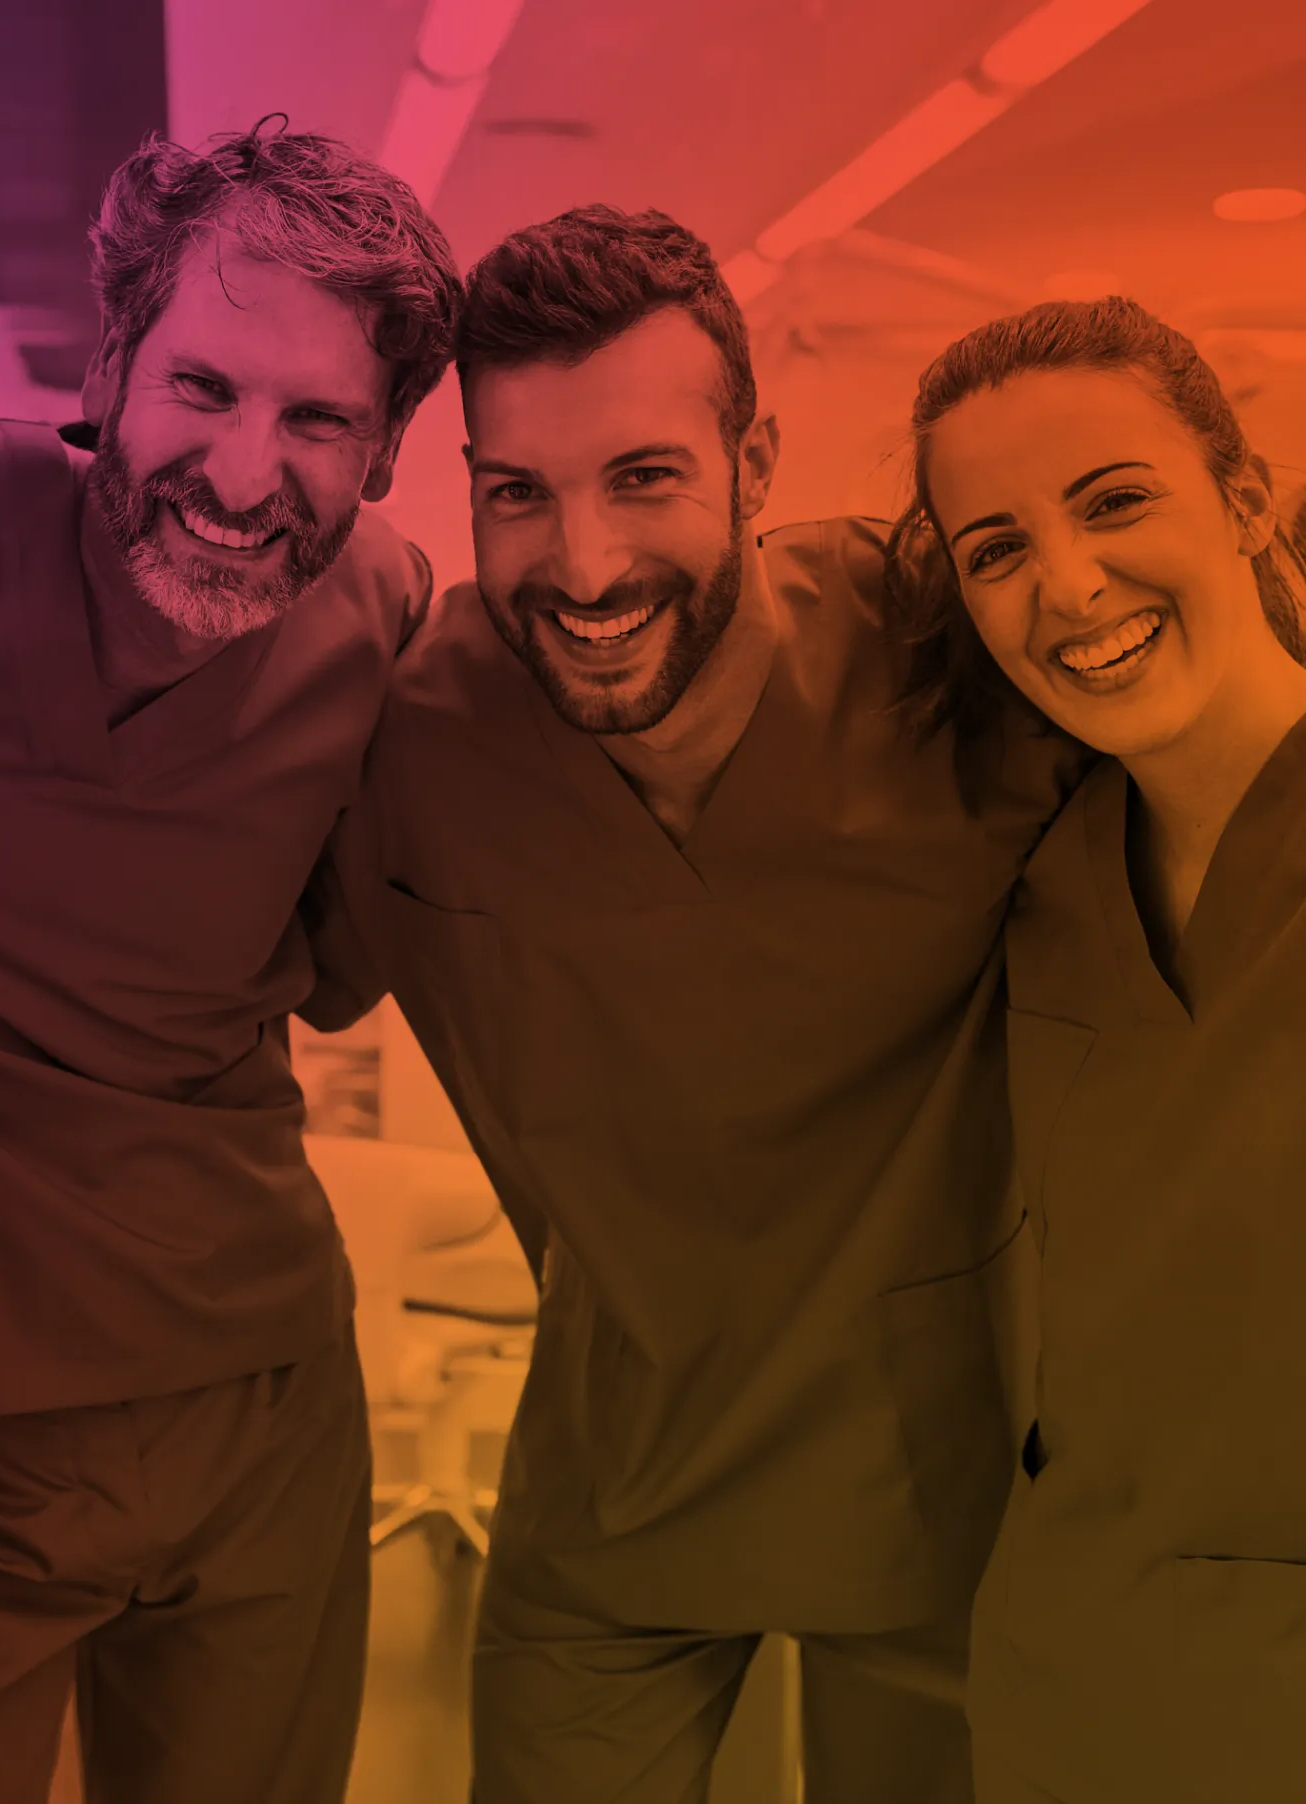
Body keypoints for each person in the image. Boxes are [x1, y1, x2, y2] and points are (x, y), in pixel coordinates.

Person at [300, 207, 1080, 1804]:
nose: (583, 567)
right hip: (619, 1493)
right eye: (518, 494)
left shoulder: (951, 662)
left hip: (966, 1499)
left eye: (643, 477)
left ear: (756, 460)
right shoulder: (420, 734)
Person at [0, 121, 461, 1804]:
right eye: (204, 389)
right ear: (108, 362)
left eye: (319, 421)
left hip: (266, 1416)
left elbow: (332, 958)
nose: (242, 476)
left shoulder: (383, 621)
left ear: (383, 458)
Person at [889, 296, 1306, 1804]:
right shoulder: (1045, 894)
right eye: (996, 548)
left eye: (1115, 502)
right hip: (1081, 1695)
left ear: (1247, 498)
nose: (1068, 586)